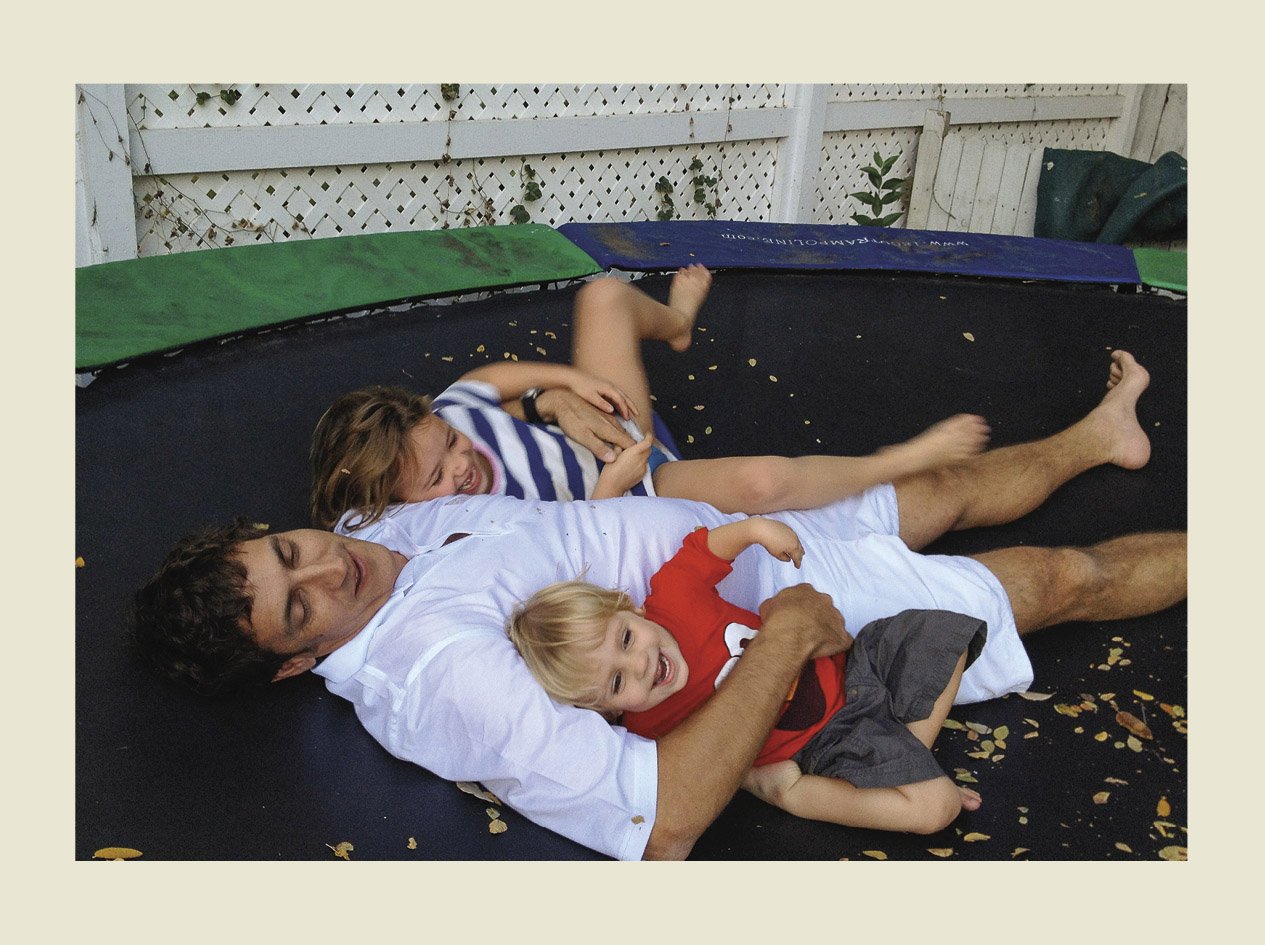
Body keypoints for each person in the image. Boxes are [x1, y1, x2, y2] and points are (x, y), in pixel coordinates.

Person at [130, 349, 1185, 860]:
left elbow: (435, 428)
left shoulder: (366, 534)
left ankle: (1099, 438)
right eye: (298, 610)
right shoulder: (434, 679)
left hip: (737, 542)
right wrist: (781, 639)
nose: (327, 574)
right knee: (1058, 580)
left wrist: (543, 395)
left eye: (288, 551)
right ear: (292, 664)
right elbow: (661, 819)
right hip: (786, 618)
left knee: (943, 491)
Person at [308, 265, 990, 529]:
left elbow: (495, 377)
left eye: (450, 444)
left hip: (618, 422)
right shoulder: (447, 528)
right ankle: (894, 460)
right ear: (396, 505)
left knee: (601, 293)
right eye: (435, 476)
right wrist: (615, 481)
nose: (461, 463)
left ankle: (677, 323)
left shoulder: (450, 417)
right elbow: (567, 545)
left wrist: (568, 383)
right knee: (763, 479)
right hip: (643, 488)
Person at [508, 516, 989, 835]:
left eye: (627, 639)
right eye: (617, 682)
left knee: (942, 631)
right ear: (608, 710)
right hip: (821, 745)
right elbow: (689, 779)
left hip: (854, 666)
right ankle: (794, 792)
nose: (640, 665)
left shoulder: (672, 598)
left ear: (629, 607)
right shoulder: (649, 731)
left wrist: (757, 528)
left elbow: (702, 548)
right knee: (937, 809)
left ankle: (901, 754)